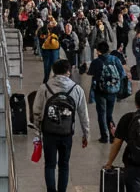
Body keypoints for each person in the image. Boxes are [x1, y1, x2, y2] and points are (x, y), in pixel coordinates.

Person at [32, 60, 90, 192]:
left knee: (50, 165)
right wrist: (86, 134)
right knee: (64, 165)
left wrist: (38, 132)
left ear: (53, 71)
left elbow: (36, 111)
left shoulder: (44, 88)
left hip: (49, 132)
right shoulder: (77, 89)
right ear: (68, 72)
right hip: (66, 133)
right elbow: (83, 115)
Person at [87, 41, 124, 143]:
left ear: (98, 51)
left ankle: (104, 136)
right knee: (109, 114)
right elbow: (122, 73)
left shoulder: (96, 62)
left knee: (101, 114)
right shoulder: (115, 59)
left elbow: (90, 73)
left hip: (100, 91)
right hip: (113, 90)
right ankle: (113, 135)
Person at [38, 16, 63, 83]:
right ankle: (46, 79)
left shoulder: (57, 27)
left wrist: (55, 26)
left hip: (54, 49)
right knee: (46, 66)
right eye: (49, 20)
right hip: (46, 49)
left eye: (52, 20)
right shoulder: (45, 27)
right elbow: (40, 35)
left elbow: (60, 33)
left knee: (55, 65)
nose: (51, 22)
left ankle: (55, 80)